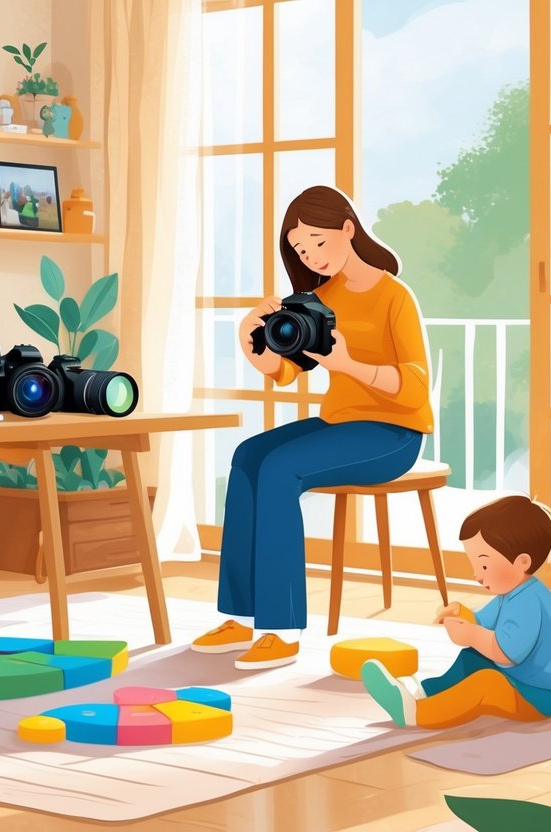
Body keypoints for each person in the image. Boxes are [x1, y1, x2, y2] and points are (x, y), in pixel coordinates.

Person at [191, 185, 434, 670]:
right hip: (338, 424)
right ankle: (241, 615)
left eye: (319, 242)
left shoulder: (395, 296)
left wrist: (349, 363)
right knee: (248, 456)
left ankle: (282, 628)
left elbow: (416, 388)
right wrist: (249, 338)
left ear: (348, 228)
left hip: (394, 433)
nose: (312, 256)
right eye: (302, 250)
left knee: (280, 469)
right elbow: (284, 372)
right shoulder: (318, 298)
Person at [362, 495, 551, 728]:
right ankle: (426, 691)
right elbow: (483, 620)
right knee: (471, 657)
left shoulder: (528, 602)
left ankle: (418, 713)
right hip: (529, 678)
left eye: (484, 565)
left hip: (547, 694)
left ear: (522, 562)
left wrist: (470, 635)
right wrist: (462, 614)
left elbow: (506, 653)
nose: (477, 575)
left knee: (485, 684)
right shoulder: (511, 593)